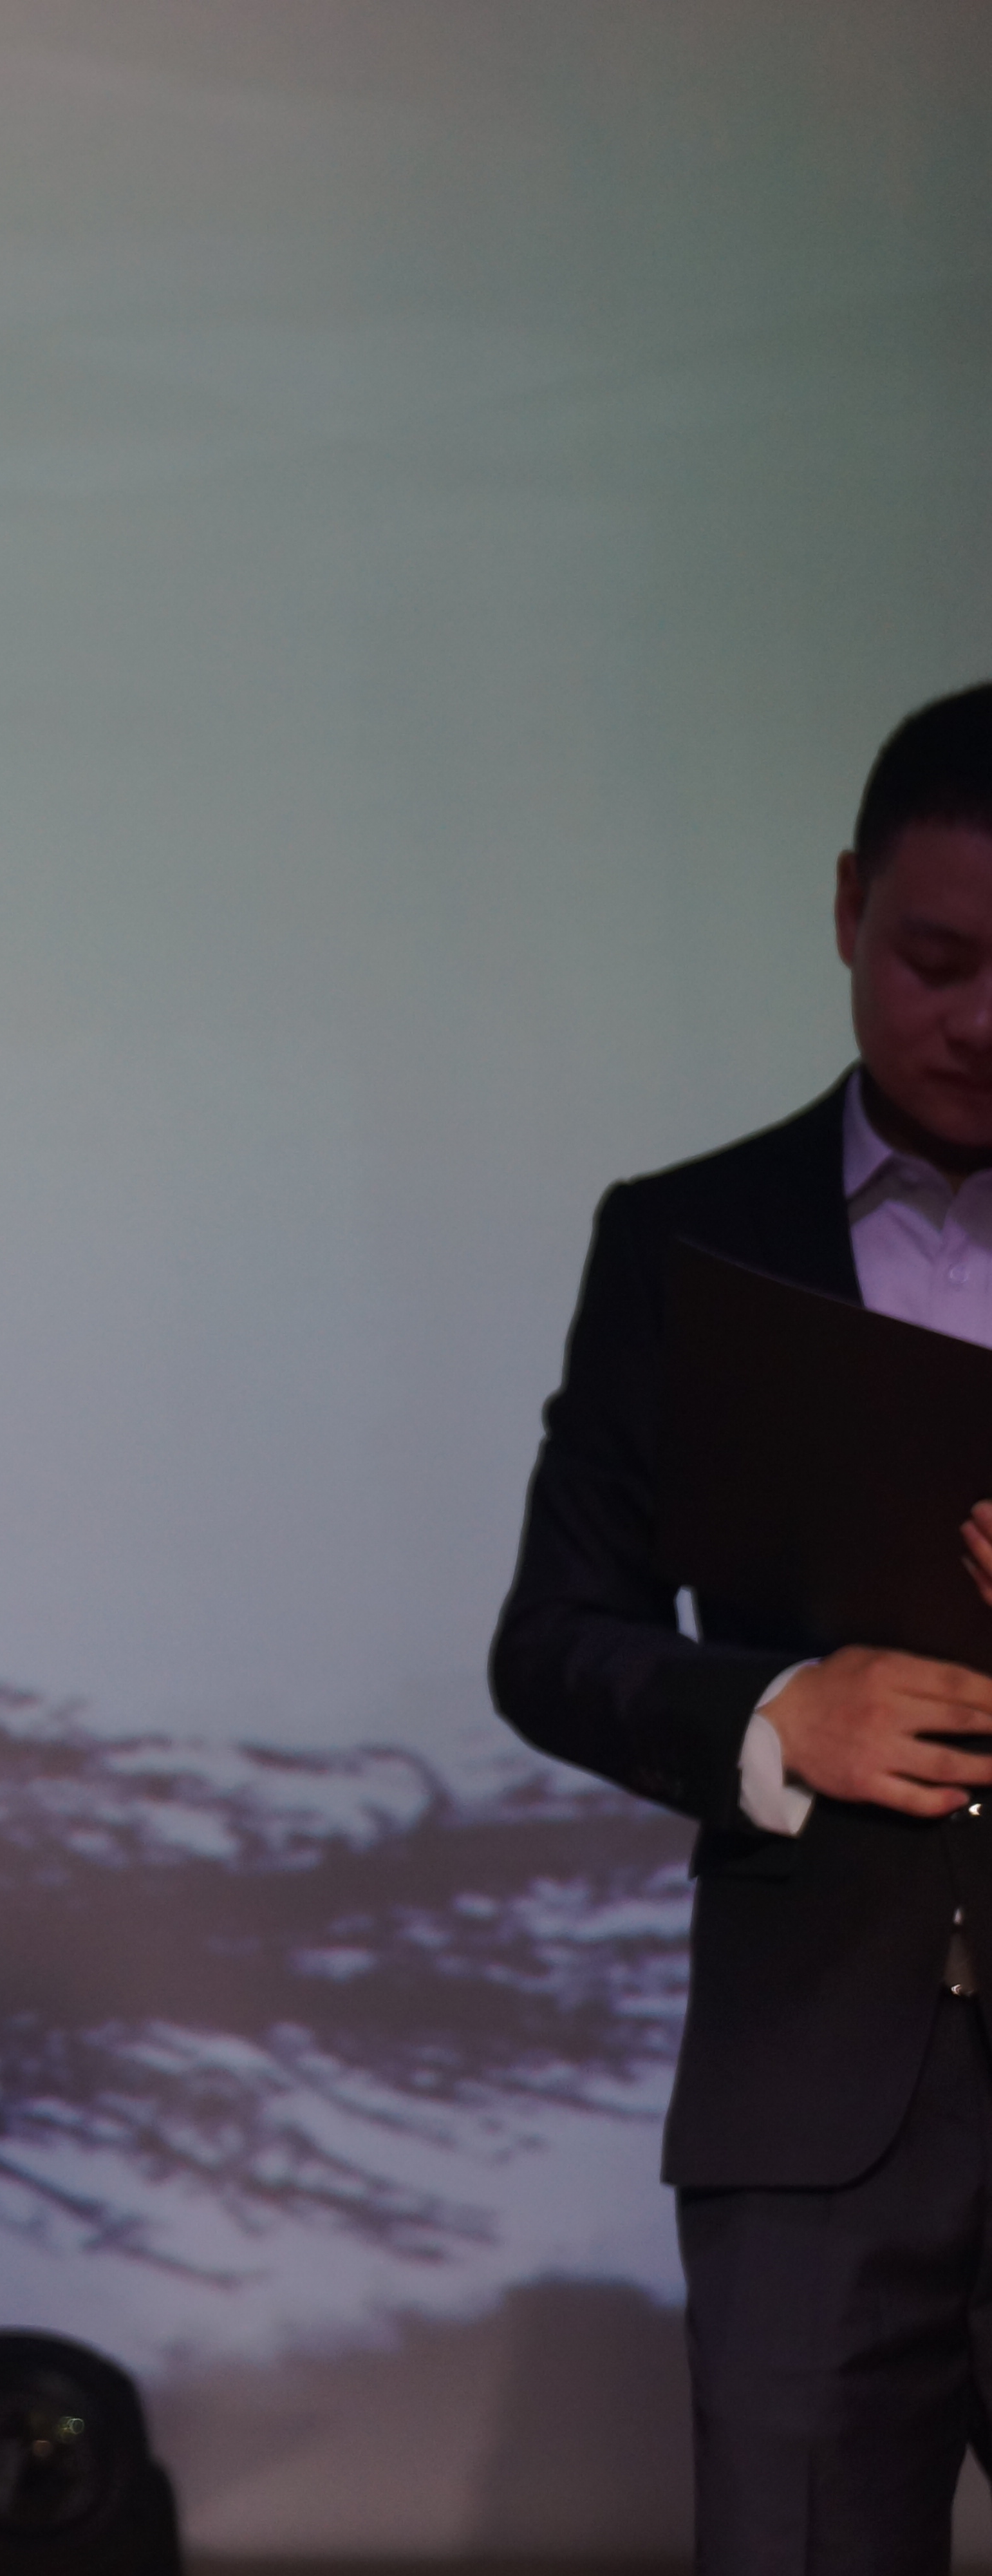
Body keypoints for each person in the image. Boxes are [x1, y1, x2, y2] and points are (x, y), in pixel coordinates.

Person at [493, 680, 992, 2572]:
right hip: (812, 2103)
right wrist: (783, 1711)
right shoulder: (687, 1239)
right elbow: (556, 1636)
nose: (983, 1019)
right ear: (848, 904)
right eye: (937, 959)